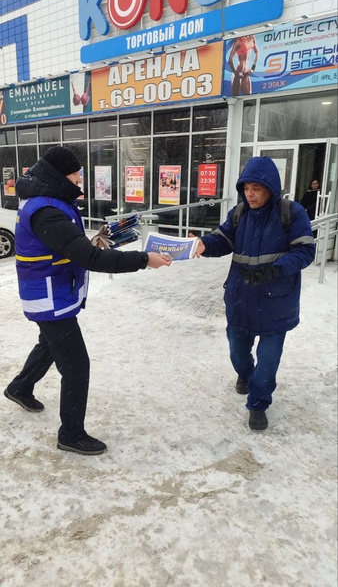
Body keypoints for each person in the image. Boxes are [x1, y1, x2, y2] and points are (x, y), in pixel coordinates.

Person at [4, 146, 172, 455]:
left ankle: (19, 387)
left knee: (49, 344)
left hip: (51, 294)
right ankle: (71, 433)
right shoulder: (46, 210)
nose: (81, 178)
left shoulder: (50, 201)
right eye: (77, 173)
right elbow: (89, 257)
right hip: (48, 297)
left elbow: (68, 247)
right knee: (77, 365)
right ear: (61, 175)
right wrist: (143, 259)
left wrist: (92, 240)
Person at [190, 156, 315, 431]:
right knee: (238, 352)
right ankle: (246, 374)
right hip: (240, 297)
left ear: (270, 187)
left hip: (276, 302)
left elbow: (305, 251)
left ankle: (259, 403)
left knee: (268, 359)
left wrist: (275, 269)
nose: (250, 194)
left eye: (256, 188)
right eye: (246, 188)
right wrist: (201, 245)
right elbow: (222, 240)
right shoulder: (239, 214)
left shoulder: (292, 213)